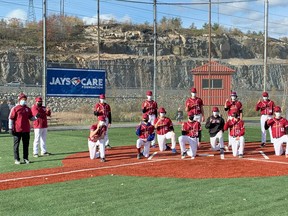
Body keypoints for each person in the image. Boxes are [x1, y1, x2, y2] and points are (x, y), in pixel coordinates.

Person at [8, 93, 40, 164]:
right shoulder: (15, 108)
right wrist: (10, 128)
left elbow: (31, 118)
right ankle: (17, 159)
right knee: (16, 145)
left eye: (25, 99)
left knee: (26, 145)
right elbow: (11, 118)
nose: (24, 101)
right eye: (23, 99)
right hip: (17, 130)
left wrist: (36, 117)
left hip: (26, 130)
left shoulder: (27, 109)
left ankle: (26, 158)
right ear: (19, 100)